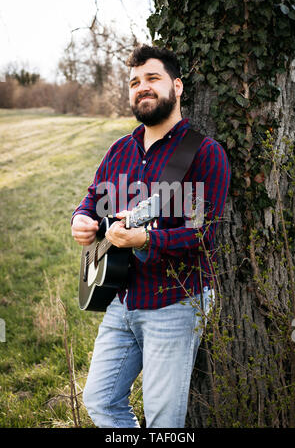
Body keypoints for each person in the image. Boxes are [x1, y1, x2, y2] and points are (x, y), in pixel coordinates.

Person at [71, 45, 230, 428]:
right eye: (134, 82)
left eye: (152, 78)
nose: (142, 87)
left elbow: (202, 235)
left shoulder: (203, 154)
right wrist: (81, 219)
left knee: (163, 420)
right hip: (120, 297)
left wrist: (145, 240)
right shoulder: (120, 150)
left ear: (177, 86)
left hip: (175, 303)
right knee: (100, 400)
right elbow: (94, 198)